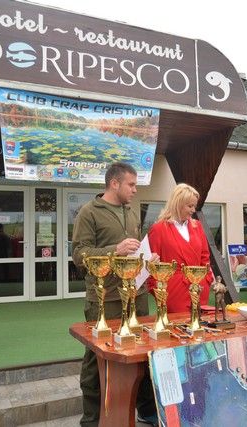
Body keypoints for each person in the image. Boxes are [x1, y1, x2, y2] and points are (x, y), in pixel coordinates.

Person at [71, 162, 157, 427]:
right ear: (114, 183)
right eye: (131, 184)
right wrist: (115, 250)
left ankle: (145, 410)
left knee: (142, 353)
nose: (135, 190)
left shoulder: (131, 213)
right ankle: (91, 420)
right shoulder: (89, 212)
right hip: (105, 299)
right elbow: (79, 255)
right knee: (96, 359)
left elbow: (132, 253)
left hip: (136, 295)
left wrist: (146, 260)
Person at [146, 183, 214, 313]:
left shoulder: (197, 226)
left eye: (194, 206)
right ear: (178, 204)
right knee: (177, 324)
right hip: (173, 292)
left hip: (199, 288)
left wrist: (206, 280)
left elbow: (205, 257)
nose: (193, 210)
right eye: (190, 206)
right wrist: (161, 291)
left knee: (199, 323)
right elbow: (152, 266)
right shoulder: (158, 229)